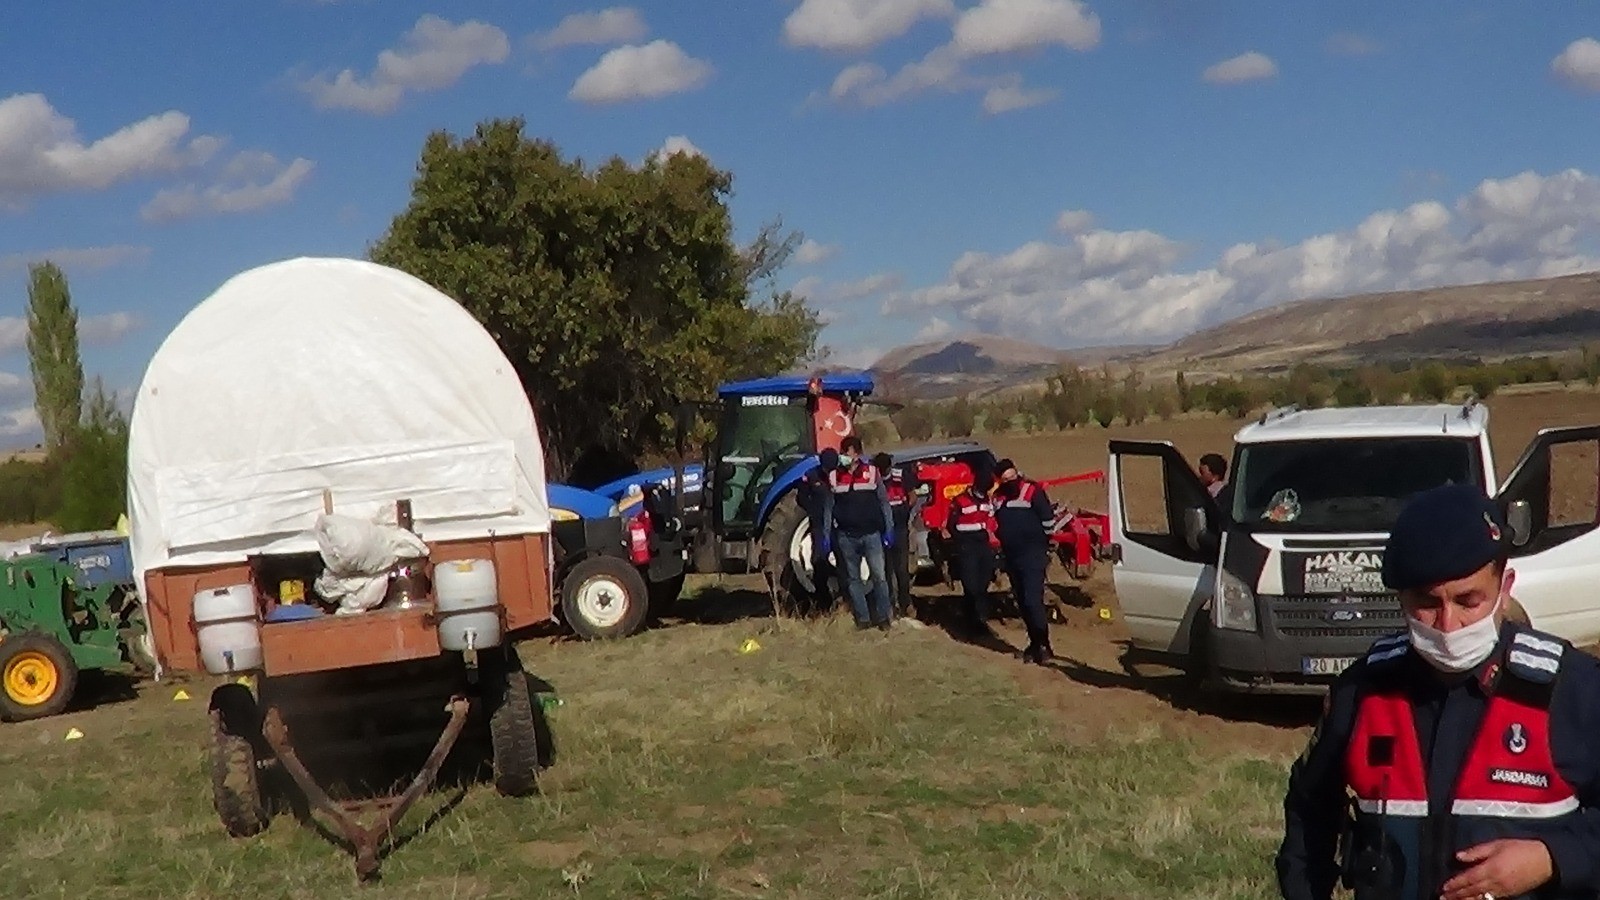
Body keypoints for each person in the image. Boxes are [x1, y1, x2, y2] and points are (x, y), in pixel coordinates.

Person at [1275, 483, 1600, 900]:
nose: (1448, 625)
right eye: (1426, 603)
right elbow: (1309, 807)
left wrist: (1552, 857)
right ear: (1400, 599)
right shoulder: (1363, 691)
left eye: (1469, 601)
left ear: (1505, 588)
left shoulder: (1571, 690)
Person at [820, 436, 895, 631]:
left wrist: (889, 529)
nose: (845, 456)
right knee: (853, 580)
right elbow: (829, 507)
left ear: (858, 454)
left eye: (848, 452)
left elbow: (883, 503)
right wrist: (826, 534)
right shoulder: (835, 477)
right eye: (843, 452)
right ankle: (862, 619)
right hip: (846, 536)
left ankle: (884, 618)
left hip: (871, 535)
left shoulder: (872, 473)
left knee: (879, 577)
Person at [992, 458, 1055, 665]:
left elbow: (1047, 519)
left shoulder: (1032, 491)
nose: (1010, 481)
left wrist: (1044, 543)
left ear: (1017, 474)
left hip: (1033, 555)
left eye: (1012, 476)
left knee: (1032, 600)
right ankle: (1034, 644)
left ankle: (1044, 645)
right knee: (1022, 602)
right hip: (1011, 556)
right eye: (1005, 479)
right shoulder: (998, 498)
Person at [944, 467, 999, 640]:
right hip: (966, 546)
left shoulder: (988, 501)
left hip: (983, 546)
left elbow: (991, 519)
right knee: (971, 585)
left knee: (983, 584)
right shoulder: (960, 501)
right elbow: (952, 525)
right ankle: (971, 623)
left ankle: (980, 621)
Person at [797, 447, 840, 616]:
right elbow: (802, 496)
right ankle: (823, 603)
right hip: (820, 526)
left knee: (844, 563)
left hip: (839, 526)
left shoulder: (841, 476)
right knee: (819, 563)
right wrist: (813, 511)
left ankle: (844, 599)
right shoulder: (811, 476)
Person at [873, 452, 916, 618]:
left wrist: (905, 511)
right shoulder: (874, 480)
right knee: (886, 569)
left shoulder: (901, 475)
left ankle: (906, 603)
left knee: (901, 570)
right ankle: (890, 605)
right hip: (882, 530)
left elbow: (912, 496)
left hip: (900, 528)